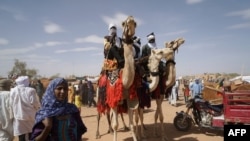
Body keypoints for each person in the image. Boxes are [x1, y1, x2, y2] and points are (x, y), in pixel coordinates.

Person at [10, 76, 40, 141]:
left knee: (21, 135)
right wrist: (38, 109)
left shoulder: (13, 91)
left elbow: (11, 103)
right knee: (31, 133)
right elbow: (35, 103)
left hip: (18, 116)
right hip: (31, 116)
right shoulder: (31, 90)